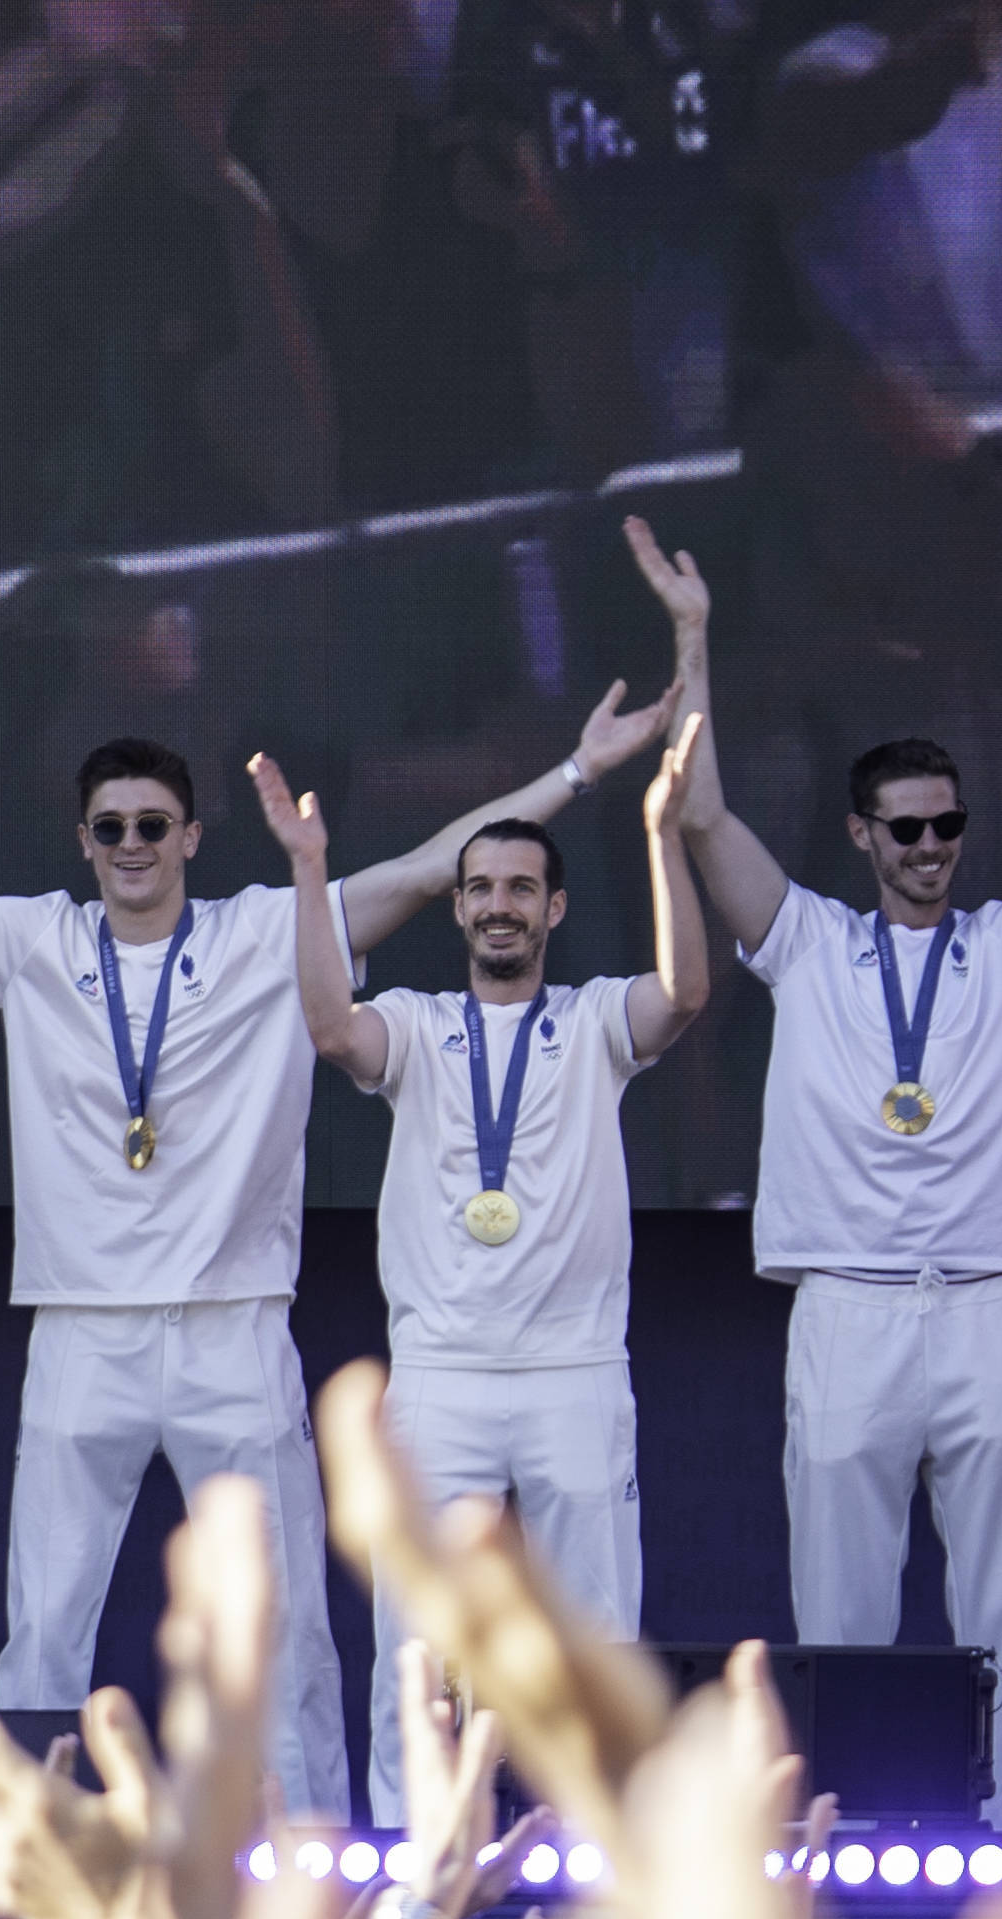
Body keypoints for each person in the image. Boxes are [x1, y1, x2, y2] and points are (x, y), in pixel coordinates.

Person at [0, 676, 676, 1830]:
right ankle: (19, 1865)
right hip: (80, 1329)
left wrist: (579, 772)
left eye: (152, 825)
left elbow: (439, 864)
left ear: (192, 835)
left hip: (234, 1328)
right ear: (82, 842)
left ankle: (323, 1859)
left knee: (285, 1625)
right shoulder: (37, 940)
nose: (132, 845)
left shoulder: (261, 931)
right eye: (110, 828)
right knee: (44, 1624)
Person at [652, 508, 1002, 1834]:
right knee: (843, 1619)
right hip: (849, 1308)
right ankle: (847, 1845)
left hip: (990, 1303)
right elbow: (697, 812)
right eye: (908, 832)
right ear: (864, 836)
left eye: (948, 828)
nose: (933, 850)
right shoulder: (808, 941)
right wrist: (693, 637)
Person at [279, 708, 720, 1815]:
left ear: (554, 908)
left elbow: (687, 995)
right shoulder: (420, 1027)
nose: (499, 905)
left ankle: (611, 1862)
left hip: (573, 1372)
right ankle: (409, 1860)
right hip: (442, 1380)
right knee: (417, 1651)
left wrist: (663, 836)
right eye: (480, 888)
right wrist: (310, 872)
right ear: (461, 907)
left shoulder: (594, 1024)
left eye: (521, 888)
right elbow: (333, 1030)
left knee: (598, 1641)